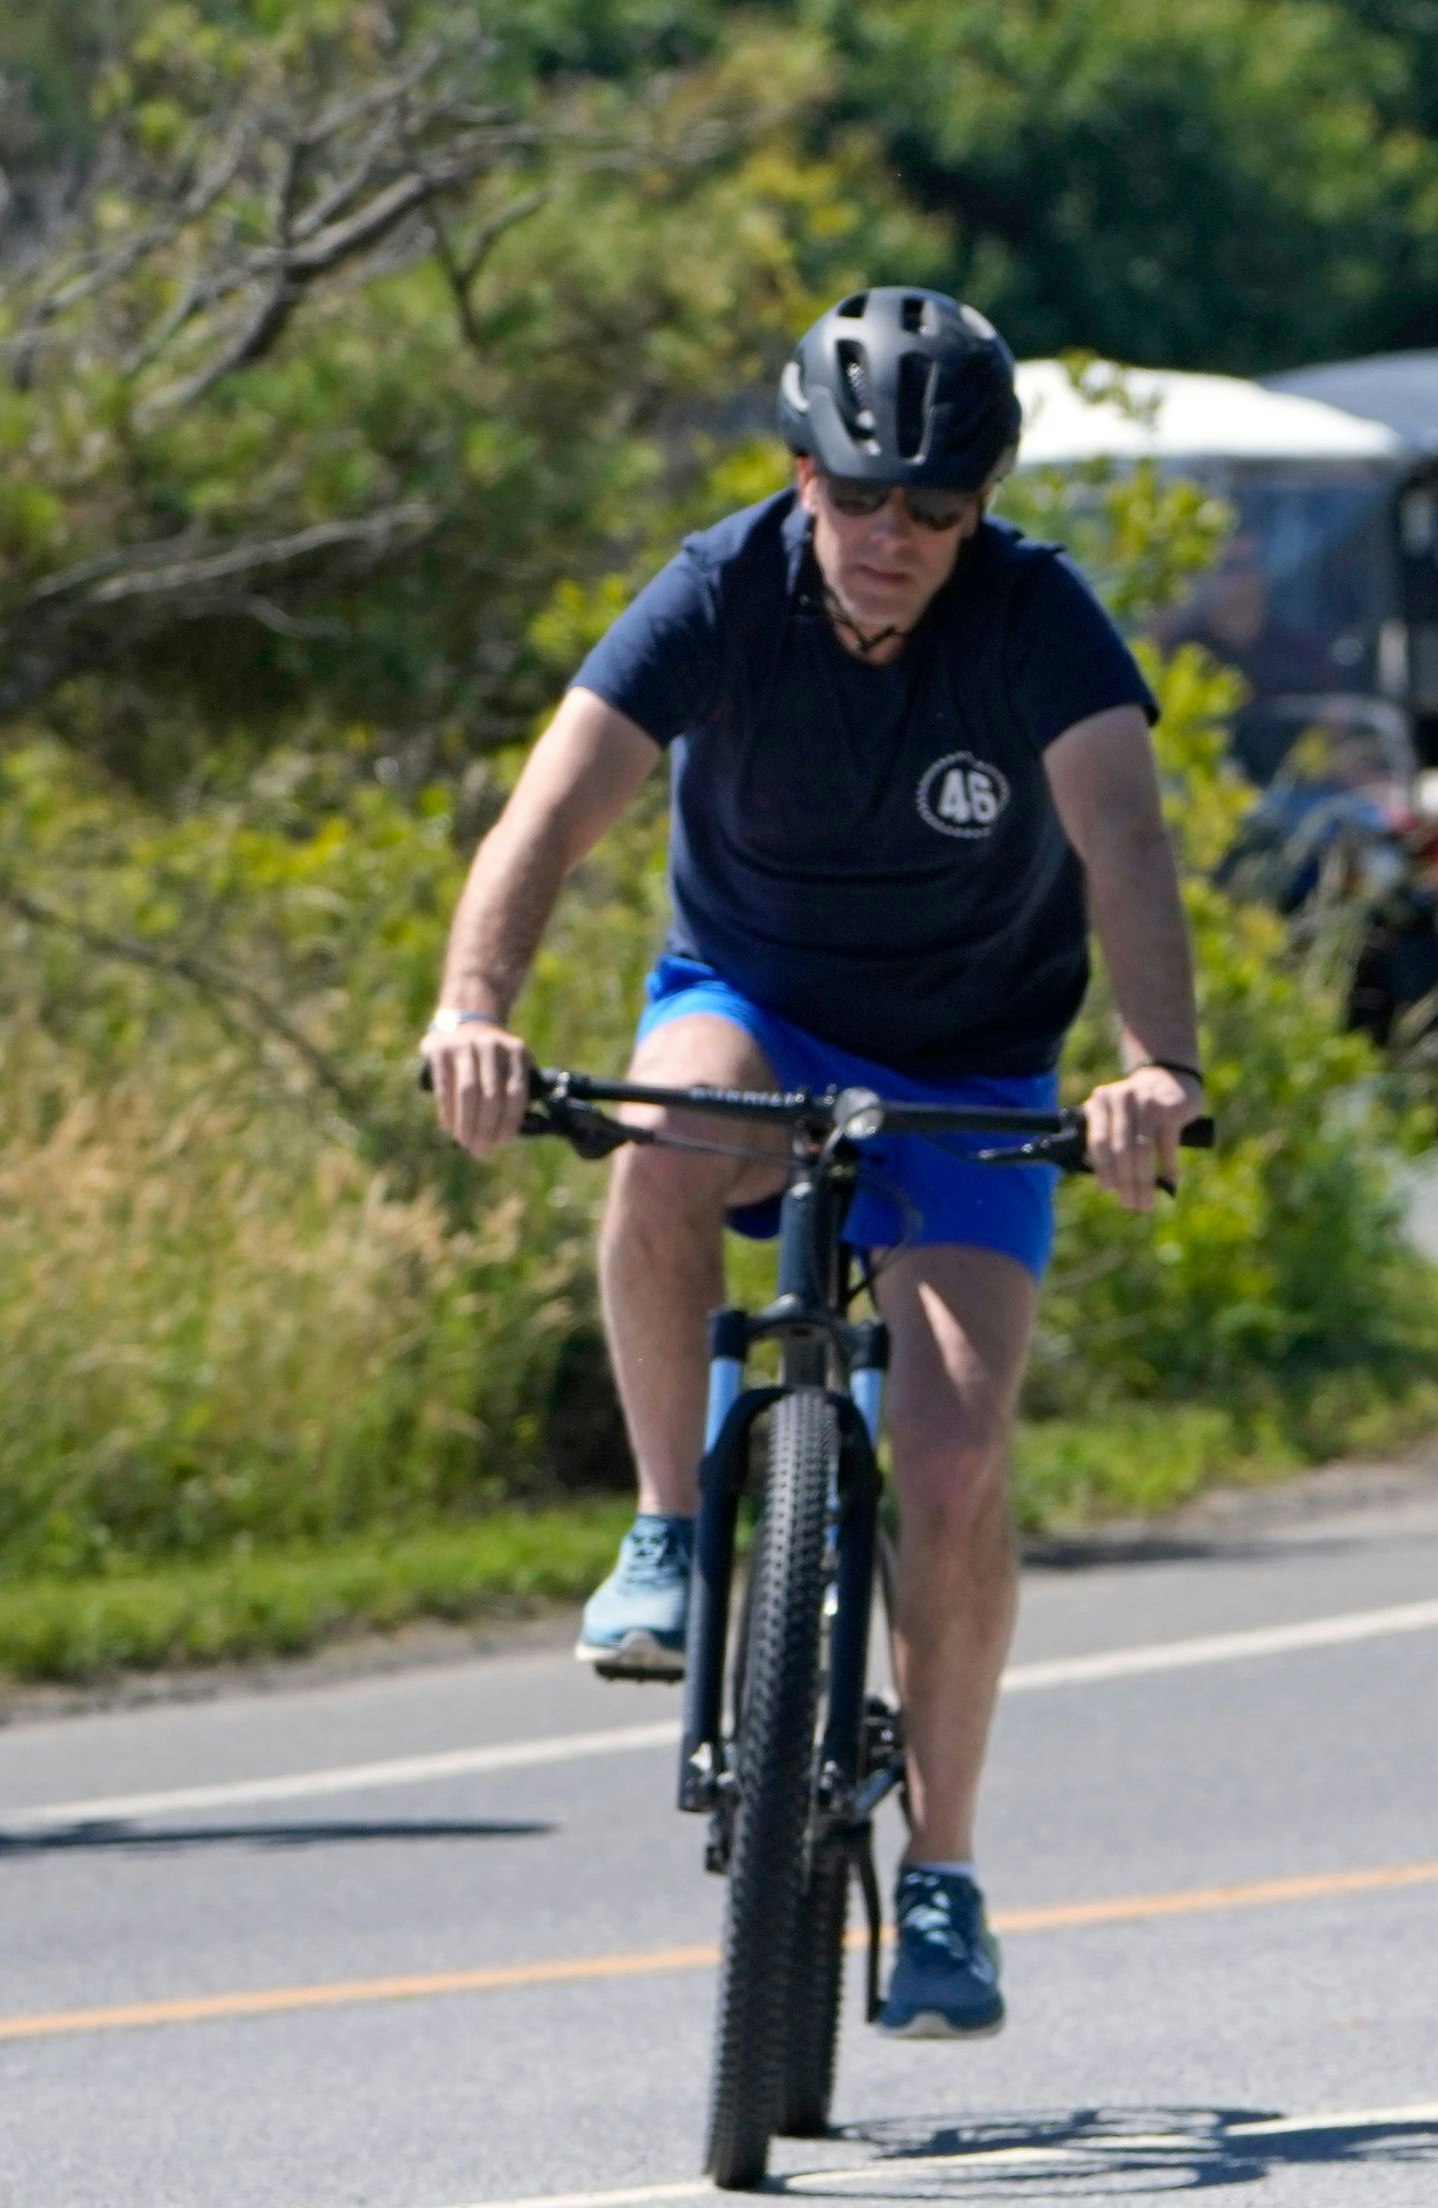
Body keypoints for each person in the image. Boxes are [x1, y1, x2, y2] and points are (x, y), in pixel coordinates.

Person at [419, 288, 1206, 2041]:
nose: (891, 542)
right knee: (659, 1137)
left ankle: (942, 1869)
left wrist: (1155, 1068)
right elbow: (545, 815)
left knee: (950, 1452)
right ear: (801, 478)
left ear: (978, 511)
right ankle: (665, 1532)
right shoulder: (716, 591)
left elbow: (1126, 840)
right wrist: (473, 1008)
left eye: (934, 510)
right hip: (753, 1004)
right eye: (861, 499)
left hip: (971, 1058)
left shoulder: (1036, 620)